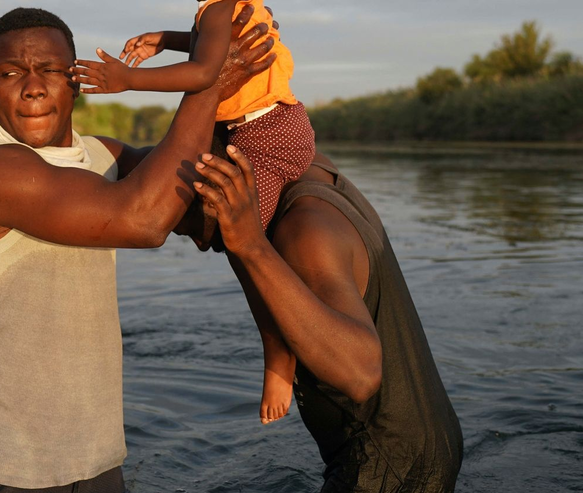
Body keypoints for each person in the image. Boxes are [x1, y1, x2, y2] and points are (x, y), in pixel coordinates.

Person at [0, 5, 274, 493]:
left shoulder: (102, 155)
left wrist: (259, 106)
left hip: (96, 462)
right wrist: (210, 82)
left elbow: (192, 209)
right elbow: (145, 220)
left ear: (75, 81)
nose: (33, 87)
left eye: (50, 70)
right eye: (11, 74)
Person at [72, 0, 312, 424]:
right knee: (227, 229)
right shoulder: (231, 3)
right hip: (266, 127)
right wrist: (165, 36)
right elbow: (207, 43)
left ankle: (281, 356)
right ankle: (280, 348)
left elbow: (207, 69)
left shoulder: (223, 9)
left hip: (266, 138)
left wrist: (128, 80)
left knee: (246, 245)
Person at [187, 142, 464, 492]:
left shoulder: (305, 231)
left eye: (185, 225)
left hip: (387, 468)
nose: (197, 242)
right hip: (425, 443)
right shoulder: (310, 169)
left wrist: (250, 244)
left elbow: (362, 375)